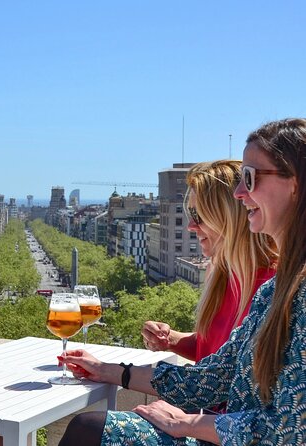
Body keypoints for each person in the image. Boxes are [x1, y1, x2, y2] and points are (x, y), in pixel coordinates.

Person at [58, 118, 306, 445]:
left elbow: (289, 430)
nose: (239, 193)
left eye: (250, 178)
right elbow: (212, 376)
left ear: (295, 184)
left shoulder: (290, 291)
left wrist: (187, 424)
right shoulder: (272, 292)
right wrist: (108, 370)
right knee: (91, 428)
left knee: (89, 431)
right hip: (217, 434)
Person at [142, 160, 276, 363]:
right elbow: (212, 349)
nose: (191, 226)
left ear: (230, 217)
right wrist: (169, 339)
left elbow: (225, 376)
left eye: (199, 215)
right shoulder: (222, 273)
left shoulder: (274, 285)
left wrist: (118, 372)